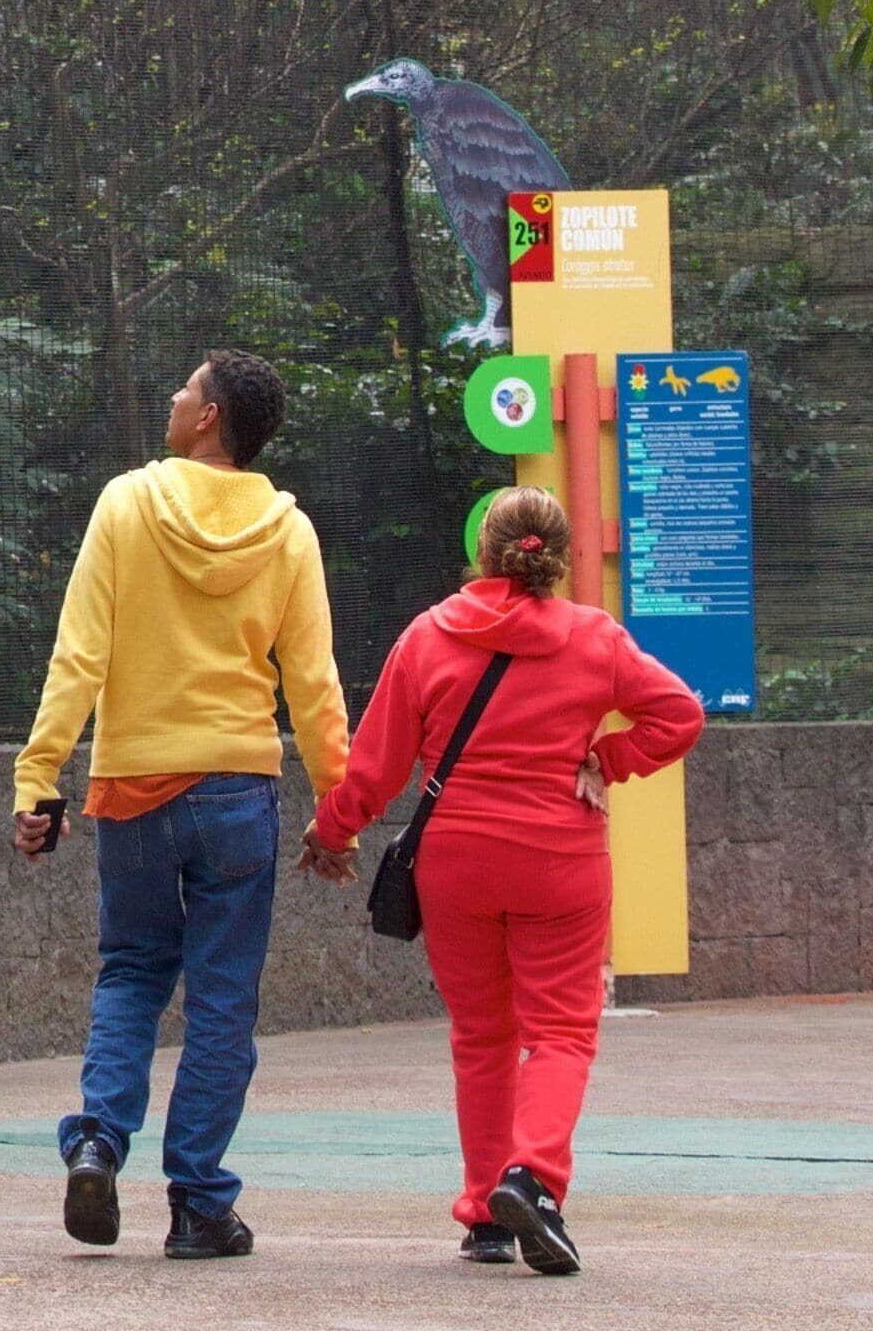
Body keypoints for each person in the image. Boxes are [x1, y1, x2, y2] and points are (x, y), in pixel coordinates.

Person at [297, 484, 704, 1276]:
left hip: (457, 862)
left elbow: (376, 768)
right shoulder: (595, 639)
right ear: (552, 557)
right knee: (560, 1032)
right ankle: (534, 1178)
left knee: (482, 1037)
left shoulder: (428, 637)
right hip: (560, 859)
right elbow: (679, 715)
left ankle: (486, 1211)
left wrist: (332, 830)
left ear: (484, 550)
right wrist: (607, 760)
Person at [11, 350, 350, 1262]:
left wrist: (37, 778)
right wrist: (339, 809)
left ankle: (96, 1139)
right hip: (239, 792)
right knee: (223, 1004)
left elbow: (77, 655)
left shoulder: (126, 504)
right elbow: (312, 684)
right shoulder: (289, 532)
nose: (173, 394)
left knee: (130, 972)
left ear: (208, 418)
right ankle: (199, 1204)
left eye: (187, 387)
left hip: (135, 786)